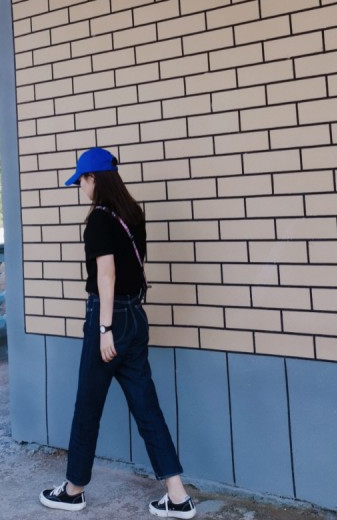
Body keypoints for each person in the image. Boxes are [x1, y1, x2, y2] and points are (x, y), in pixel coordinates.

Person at [40, 147, 196, 519]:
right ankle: (178, 497)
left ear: (94, 178)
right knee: (147, 409)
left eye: (81, 180)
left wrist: (105, 328)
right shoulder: (134, 214)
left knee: (87, 406)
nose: (80, 187)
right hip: (136, 316)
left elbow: (106, 275)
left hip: (109, 318)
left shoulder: (99, 219)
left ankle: (73, 491)